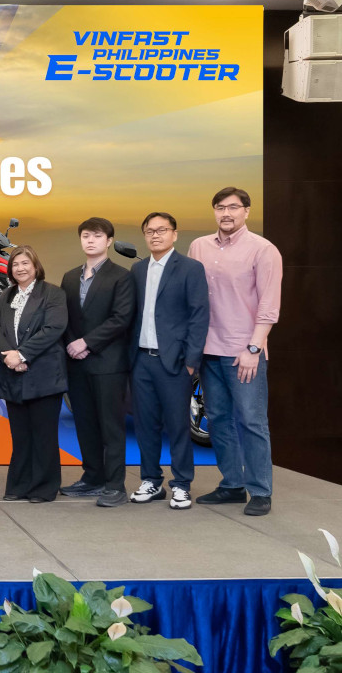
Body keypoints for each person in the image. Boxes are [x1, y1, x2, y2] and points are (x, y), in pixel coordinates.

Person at [189, 187, 282, 516]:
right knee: (218, 420)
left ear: (246, 211)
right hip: (208, 350)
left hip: (244, 352)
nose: (225, 213)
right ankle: (231, 484)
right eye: (219, 207)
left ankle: (260, 491)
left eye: (232, 207)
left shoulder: (263, 249)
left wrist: (254, 348)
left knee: (252, 422)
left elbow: (269, 305)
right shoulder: (198, 246)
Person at [128, 212, 209, 511]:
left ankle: (182, 484)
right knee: (145, 425)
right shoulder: (137, 270)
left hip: (175, 362)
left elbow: (199, 315)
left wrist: (191, 361)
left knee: (178, 426)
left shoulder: (190, 268)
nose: (155, 235)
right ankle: (151, 480)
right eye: (150, 231)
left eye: (162, 230)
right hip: (141, 360)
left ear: (174, 234)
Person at [58, 217, 135, 508]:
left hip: (108, 364)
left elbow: (121, 318)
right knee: (85, 423)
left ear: (109, 241)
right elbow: (64, 318)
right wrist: (72, 344)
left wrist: (86, 343)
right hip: (76, 363)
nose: (90, 240)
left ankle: (115, 486)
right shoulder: (69, 277)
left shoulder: (121, 276)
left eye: (97, 236)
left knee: (110, 426)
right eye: (86, 235)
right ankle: (92, 478)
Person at [0, 245, 68, 503]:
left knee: (44, 435)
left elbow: (53, 328)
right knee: (20, 435)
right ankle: (19, 485)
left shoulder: (53, 293)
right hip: (12, 374)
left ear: (35, 266)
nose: (20, 268)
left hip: (43, 374)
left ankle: (43, 488)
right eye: (15, 264)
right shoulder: (5, 296)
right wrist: (9, 357)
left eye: (25, 263)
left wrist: (22, 355)